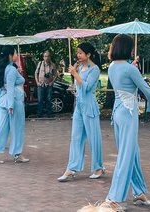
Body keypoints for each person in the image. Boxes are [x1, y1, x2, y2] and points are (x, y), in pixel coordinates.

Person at [98, 34, 150, 211]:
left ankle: (139, 192)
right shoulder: (129, 69)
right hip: (128, 114)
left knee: (132, 153)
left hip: (118, 112)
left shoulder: (112, 67)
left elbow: (124, 80)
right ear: (128, 49)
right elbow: (145, 89)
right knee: (127, 155)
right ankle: (114, 198)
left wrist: (133, 67)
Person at [57, 42, 104, 182]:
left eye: (81, 53)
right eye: (77, 53)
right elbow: (77, 87)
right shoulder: (79, 67)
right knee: (76, 137)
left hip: (89, 106)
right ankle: (71, 168)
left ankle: (98, 167)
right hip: (79, 106)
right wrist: (75, 73)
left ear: (88, 54)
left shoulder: (94, 69)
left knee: (93, 138)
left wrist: (75, 74)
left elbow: (87, 87)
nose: (78, 55)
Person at [0, 45, 29, 164]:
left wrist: (18, 72)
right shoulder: (10, 70)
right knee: (17, 128)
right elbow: (10, 87)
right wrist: (11, 105)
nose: (17, 55)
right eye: (15, 53)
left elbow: (16, 82)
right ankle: (17, 154)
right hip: (13, 101)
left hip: (4, 100)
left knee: (2, 128)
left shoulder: (5, 68)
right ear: (11, 55)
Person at [35, 50, 57, 117]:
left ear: (50, 57)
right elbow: (36, 73)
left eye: (47, 56)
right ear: (43, 57)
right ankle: (39, 113)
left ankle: (49, 114)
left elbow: (55, 75)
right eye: (45, 56)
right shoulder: (40, 63)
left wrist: (52, 82)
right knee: (40, 100)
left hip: (49, 85)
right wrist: (37, 82)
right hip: (41, 84)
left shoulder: (53, 65)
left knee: (49, 99)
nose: (46, 58)